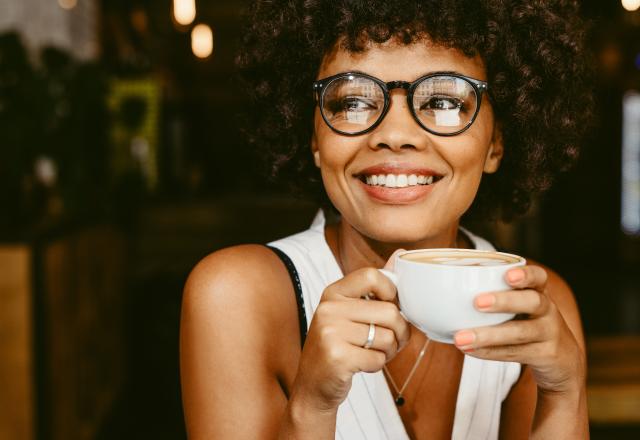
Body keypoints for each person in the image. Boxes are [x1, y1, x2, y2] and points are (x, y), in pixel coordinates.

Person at [180, 0, 593, 438]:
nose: (394, 135)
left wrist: (565, 394)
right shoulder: (237, 297)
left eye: (442, 100)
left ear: (496, 143)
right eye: (353, 101)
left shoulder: (533, 305)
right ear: (315, 140)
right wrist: (313, 407)